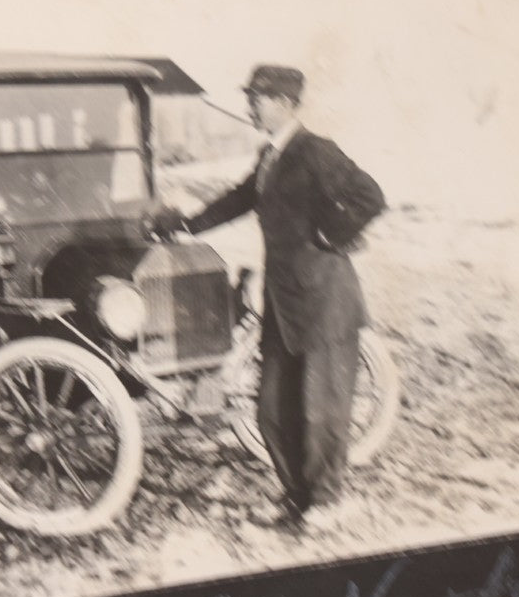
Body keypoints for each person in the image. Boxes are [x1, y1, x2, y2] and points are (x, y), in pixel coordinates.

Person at [161, 64, 385, 524]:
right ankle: (295, 495)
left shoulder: (315, 151)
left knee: (321, 411)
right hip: (284, 303)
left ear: (284, 104)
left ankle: (326, 501)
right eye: (250, 98)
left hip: (325, 302)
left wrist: (329, 237)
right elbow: (238, 199)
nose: (250, 107)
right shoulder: (272, 156)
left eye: (258, 99)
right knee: (271, 410)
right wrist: (185, 224)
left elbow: (369, 196)